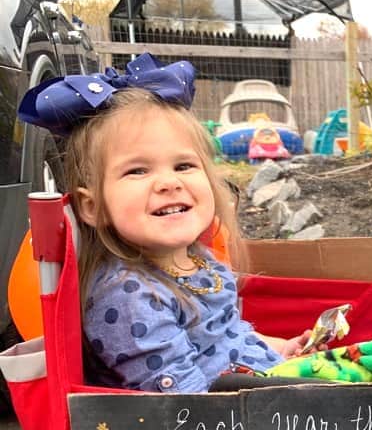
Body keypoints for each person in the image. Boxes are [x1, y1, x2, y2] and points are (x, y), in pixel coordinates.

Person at [17, 53, 312, 393]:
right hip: (222, 420)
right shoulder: (129, 297)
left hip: (259, 393)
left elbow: (230, 337)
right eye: (138, 170)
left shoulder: (200, 259)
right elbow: (184, 404)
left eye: (184, 166)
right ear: (93, 207)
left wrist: (281, 350)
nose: (169, 183)